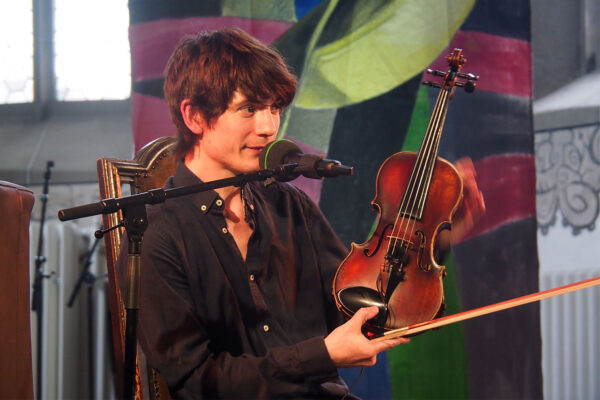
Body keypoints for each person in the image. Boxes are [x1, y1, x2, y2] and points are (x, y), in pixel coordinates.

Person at [123, 27, 484, 399]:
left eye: (274, 108)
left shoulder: (289, 206)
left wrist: (433, 241)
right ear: (195, 116)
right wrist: (321, 355)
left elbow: (364, 311)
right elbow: (198, 381)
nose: (268, 127)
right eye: (249, 109)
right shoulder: (156, 233)